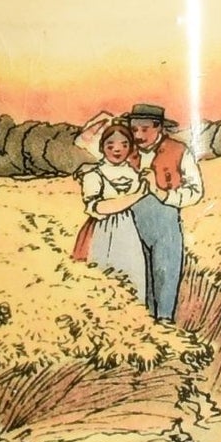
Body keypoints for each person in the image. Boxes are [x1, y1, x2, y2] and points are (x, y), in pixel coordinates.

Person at [127, 102, 201, 321]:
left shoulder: (179, 151)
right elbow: (83, 141)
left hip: (166, 222)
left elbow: (195, 191)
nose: (138, 135)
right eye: (134, 129)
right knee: (139, 280)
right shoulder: (123, 150)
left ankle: (165, 326)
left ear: (158, 127)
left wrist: (164, 195)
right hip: (130, 222)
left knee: (166, 276)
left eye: (144, 129)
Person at [74, 119, 150, 304]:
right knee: (103, 278)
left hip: (131, 231)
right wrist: (136, 196)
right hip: (102, 231)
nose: (117, 149)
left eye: (124, 144)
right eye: (111, 144)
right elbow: (98, 207)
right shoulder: (94, 175)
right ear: (102, 147)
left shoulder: (134, 173)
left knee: (134, 274)